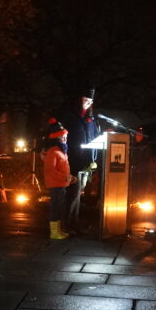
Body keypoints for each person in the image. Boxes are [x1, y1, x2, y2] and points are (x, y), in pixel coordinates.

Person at [60, 89, 100, 235]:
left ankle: (74, 222)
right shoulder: (70, 116)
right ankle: (65, 224)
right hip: (72, 159)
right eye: (85, 100)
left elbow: (95, 136)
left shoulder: (91, 119)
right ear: (79, 100)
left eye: (90, 102)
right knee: (73, 192)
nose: (87, 104)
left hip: (86, 161)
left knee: (78, 193)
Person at [41, 118, 73, 240]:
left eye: (65, 136)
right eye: (62, 136)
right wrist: (66, 177)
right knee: (55, 207)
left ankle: (58, 231)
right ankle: (54, 232)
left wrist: (69, 178)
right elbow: (50, 170)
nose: (65, 138)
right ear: (56, 138)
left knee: (59, 207)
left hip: (61, 183)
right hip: (55, 184)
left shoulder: (61, 151)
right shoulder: (53, 151)